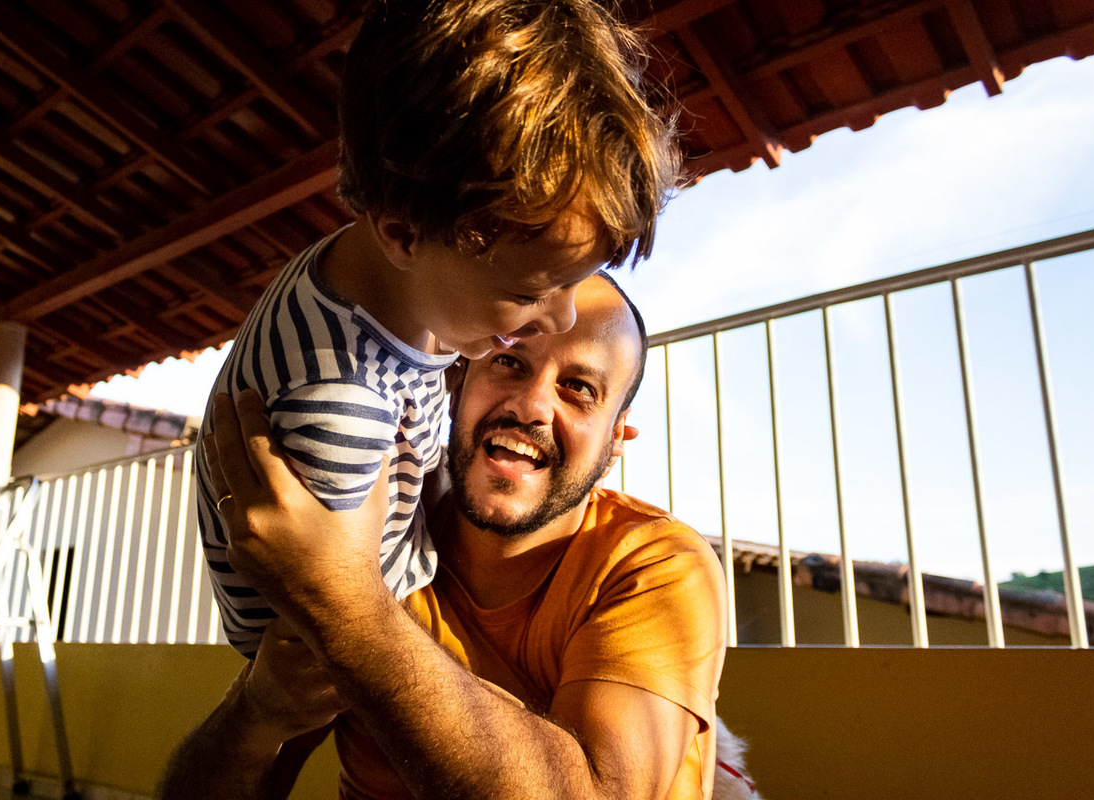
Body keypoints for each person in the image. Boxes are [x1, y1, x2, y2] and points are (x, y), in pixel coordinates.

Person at [195, 0, 680, 658]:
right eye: (530, 290)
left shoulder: (368, 274)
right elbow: (316, 630)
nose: (563, 317)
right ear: (402, 232)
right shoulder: (343, 407)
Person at [161, 274, 727, 799]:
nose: (531, 405)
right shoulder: (381, 532)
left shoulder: (655, 563)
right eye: (508, 362)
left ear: (616, 441)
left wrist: (345, 607)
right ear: (458, 384)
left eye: (578, 387)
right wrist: (257, 711)